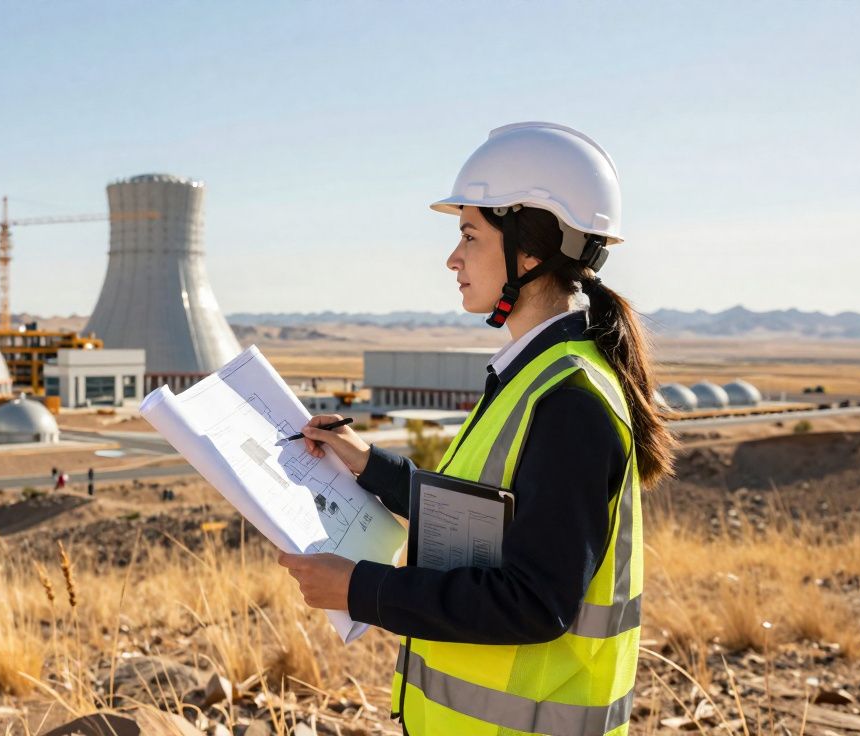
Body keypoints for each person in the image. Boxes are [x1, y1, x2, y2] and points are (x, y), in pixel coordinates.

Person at [277, 123, 676, 736]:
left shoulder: (569, 401)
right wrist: (369, 466)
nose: (452, 258)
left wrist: (361, 589)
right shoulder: (536, 375)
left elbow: (534, 602)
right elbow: (482, 519)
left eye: (469, 235)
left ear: (531, 249)